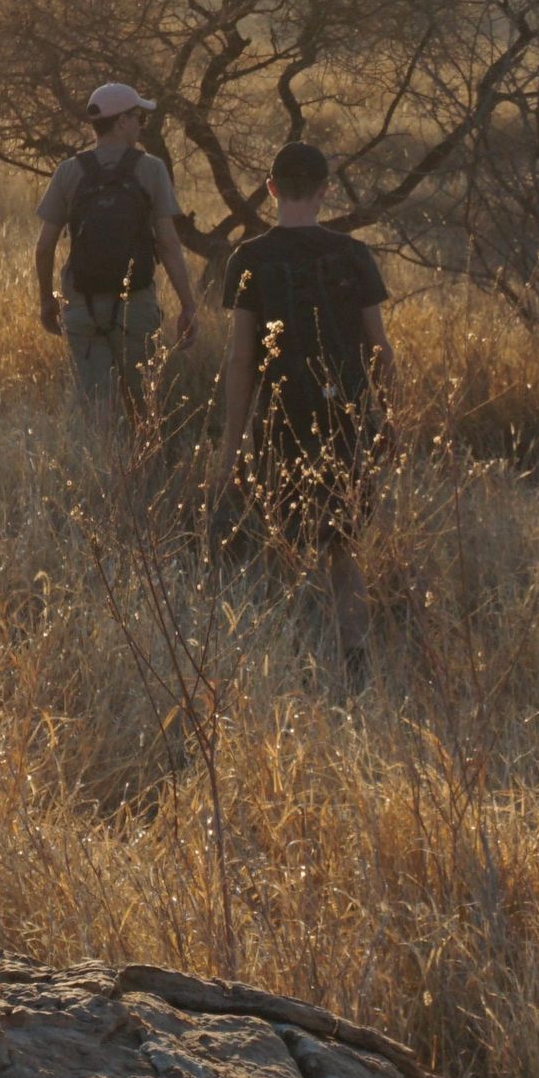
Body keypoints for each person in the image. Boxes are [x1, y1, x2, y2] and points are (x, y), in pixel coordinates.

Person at [212, 141, 392, 678]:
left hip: (281, 418)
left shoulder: (249, 258)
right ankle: (354, 656)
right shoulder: (353, 254)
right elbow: (379, 347)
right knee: (343, 546)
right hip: (348, 417)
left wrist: (231, 444)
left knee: (281, 543)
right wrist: (392, 415)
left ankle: (288, 655)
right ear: (323, 191)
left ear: (270, 189)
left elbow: (242, 359)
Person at [35, 82, 203, 433]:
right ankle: (146, 478)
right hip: (136, 306)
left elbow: (45, 245)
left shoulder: (69, 171)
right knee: (146, 405)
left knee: (99, 409)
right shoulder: (152, 169)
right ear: (122, 121)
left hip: (81, 305)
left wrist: (46, 301)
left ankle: (105, 481)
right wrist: (189, 304)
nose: (142, 124)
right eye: (138, 116)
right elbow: (169, 244)